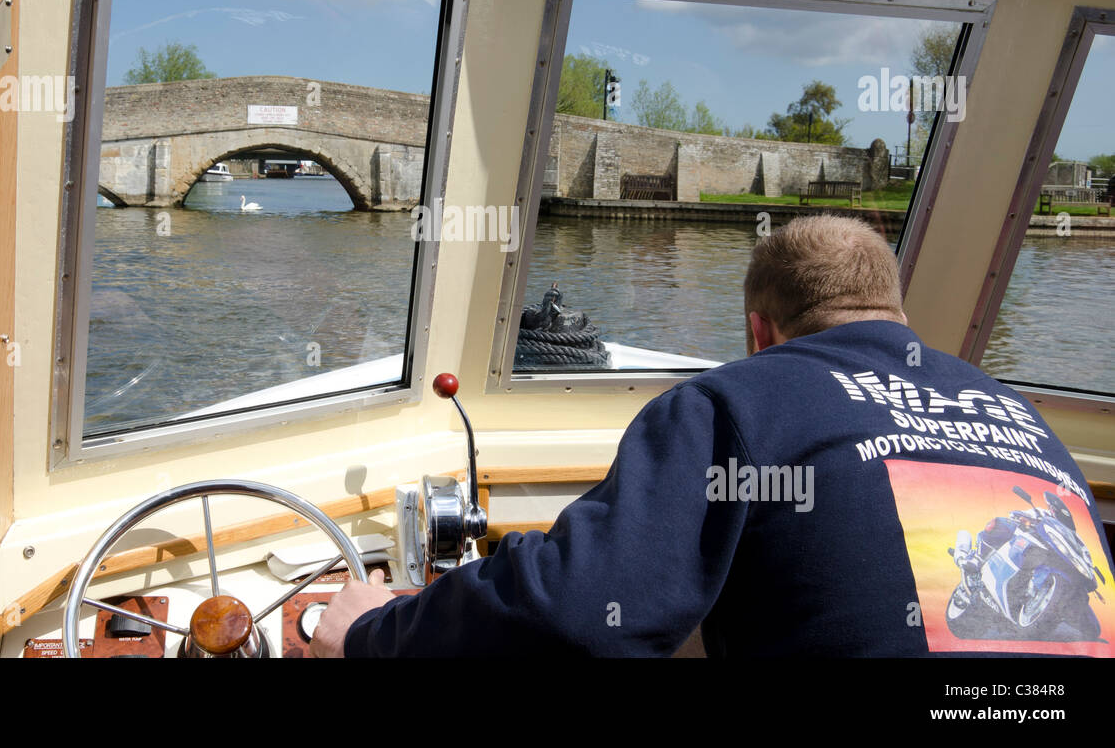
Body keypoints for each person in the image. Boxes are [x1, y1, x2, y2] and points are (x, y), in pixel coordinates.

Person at [311, 215, 1115, 657]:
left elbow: (579, 613)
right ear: (899, 316)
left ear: (759, 330)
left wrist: (374, 631)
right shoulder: (1020, 417)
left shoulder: (738, 400)